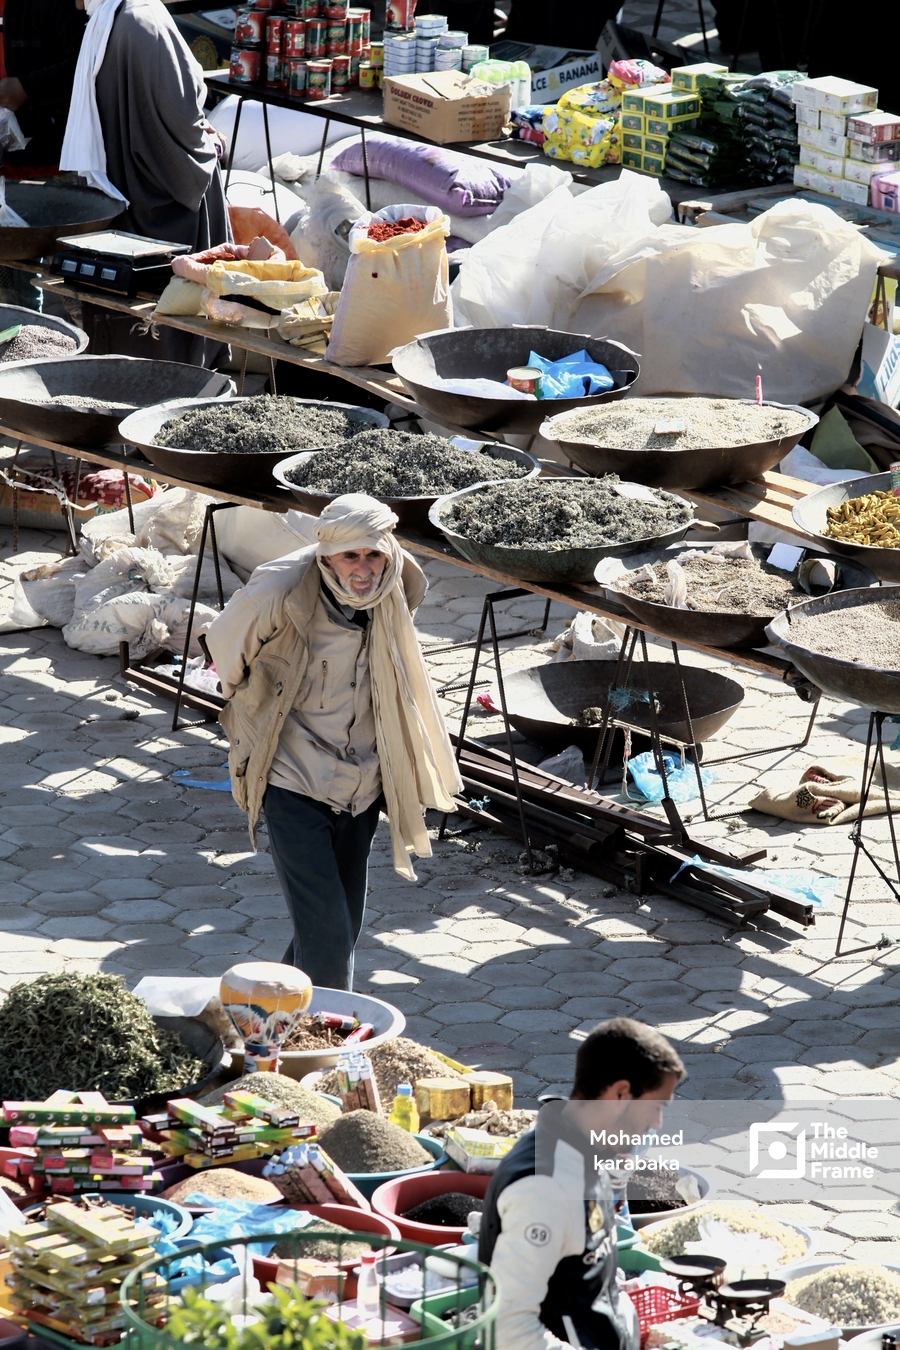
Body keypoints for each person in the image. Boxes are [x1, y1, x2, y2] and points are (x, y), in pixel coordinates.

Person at [205, 494, 463, 991]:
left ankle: (266, 1014)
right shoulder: (279, 590)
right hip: (293, 775)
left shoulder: (399, 578)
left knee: (339, 923)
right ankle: (330, 1040)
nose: (364, 569)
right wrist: (254, 708)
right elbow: (226, 652)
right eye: (350, 557)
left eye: (373, 555)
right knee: (327, 931)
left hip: (362, 780)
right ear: (326, 558)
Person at [479, 1017, 686, 1350]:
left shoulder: (585, 1148)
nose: (657, 1123)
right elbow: (508, 1328)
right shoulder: (545, 1189)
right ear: (620, 1093)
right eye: (656, 1106)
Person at [59, 0, 230, 365]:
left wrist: (200, 142)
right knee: (163, 325)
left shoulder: (134, 20)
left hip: (143, 194)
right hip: (150, 191)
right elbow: (180, 123)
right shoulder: (127, 18)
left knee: (160, 326)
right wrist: (208, 143)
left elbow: (174, 118)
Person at [0, 0, 87, 309]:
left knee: (75, 293)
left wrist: (27, 88)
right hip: (5, 172)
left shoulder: (60, 4)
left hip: (52, 168)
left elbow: (87, 63)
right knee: (10, 291)